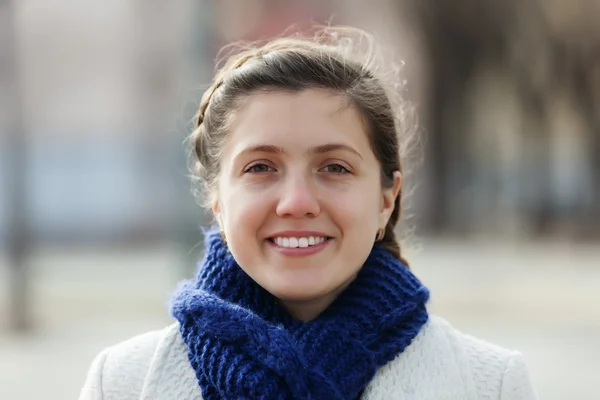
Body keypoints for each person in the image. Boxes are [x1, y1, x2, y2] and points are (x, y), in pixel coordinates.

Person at [79, 26, 537, 399]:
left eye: (334, 167)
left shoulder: (490, 384)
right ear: (217, 200)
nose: (296, 202)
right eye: (260, 167)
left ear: (385, 199)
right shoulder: (121, 383)